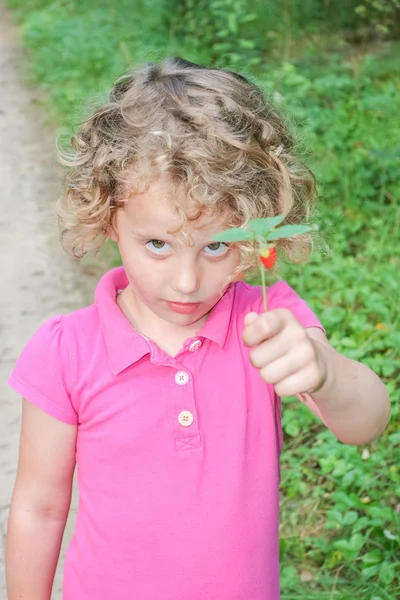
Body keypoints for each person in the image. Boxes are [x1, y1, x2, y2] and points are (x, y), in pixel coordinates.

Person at [6, 57, 390, 600]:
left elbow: (365, 422)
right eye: (157, 244)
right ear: (108, 215)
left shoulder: (265, 317)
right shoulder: (65, 351)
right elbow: (38, 508)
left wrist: (325, 372)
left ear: (257, 230)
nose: (186, 282)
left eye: (217, 246)